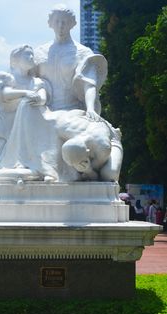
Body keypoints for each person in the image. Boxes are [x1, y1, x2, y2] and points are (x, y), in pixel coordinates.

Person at [34, 4, 123, 182]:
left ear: (72, 24)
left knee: (107, 166)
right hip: (45, 111)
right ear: (50, 23)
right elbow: (29, 81)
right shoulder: (39, 53)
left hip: (74, 111)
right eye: (57, 21)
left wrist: (90, 108)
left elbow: (88, 84)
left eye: (65, 22)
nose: (61, 26)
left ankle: (89, 166)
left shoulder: (82, 52)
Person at [0, 45, 51, 194]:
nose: (32, 58)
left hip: (26, 126)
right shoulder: (7, 77)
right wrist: (26, 93)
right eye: (27, 55)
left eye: (32, 55)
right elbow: (3, 94)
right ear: (16, 59)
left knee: (18, 160)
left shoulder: (36, 82)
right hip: (5, 124)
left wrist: (39, 98)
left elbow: (42, 97)